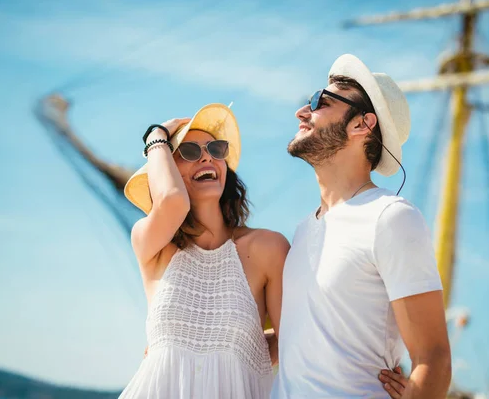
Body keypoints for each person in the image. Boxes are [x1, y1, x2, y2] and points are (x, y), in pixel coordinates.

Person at [272, 54, 452, 399]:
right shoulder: (302, 231)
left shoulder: (390, 217)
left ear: (361, 125)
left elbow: (434, 359)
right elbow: (298, 339)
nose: (302, 111)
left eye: (319, 102)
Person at [120, 104, 289, 398]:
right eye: (188, 151)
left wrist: (243, 349)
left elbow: (295, 342)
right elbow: (173, 202)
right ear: (167, 170)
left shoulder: (268, 248)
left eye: (216, 148)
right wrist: (156, 137)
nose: (207, 156)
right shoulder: (152, 245)